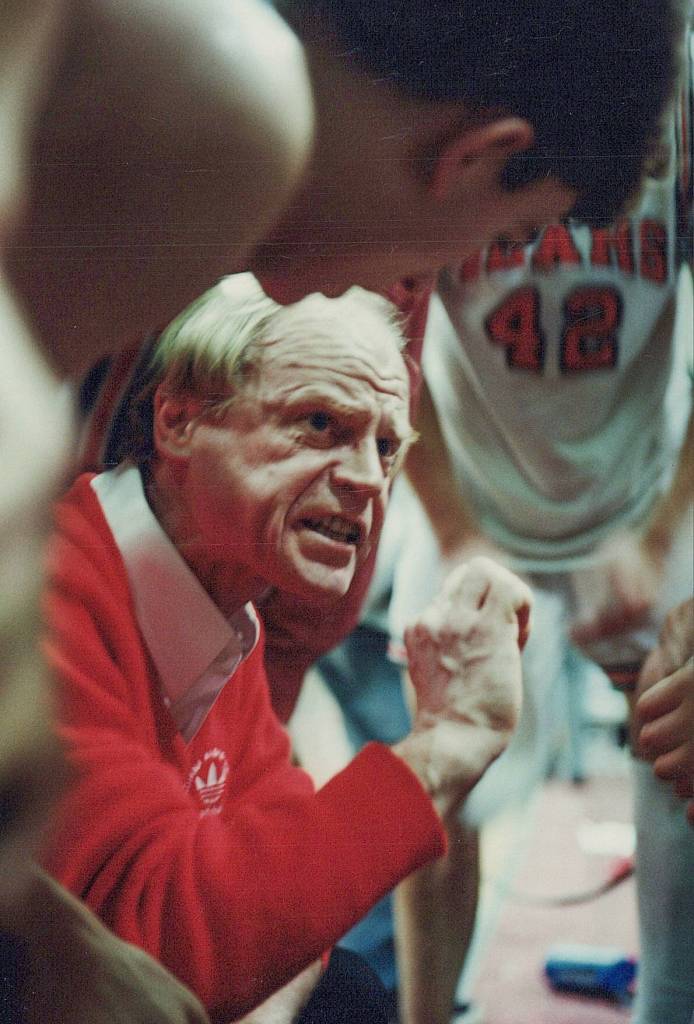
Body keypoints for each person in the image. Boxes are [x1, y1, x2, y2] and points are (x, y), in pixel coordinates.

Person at [0, 0, 685, 1016]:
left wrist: (49, 930)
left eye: (378, 439)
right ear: (476, 159)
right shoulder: (206, 110)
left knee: (329, 978)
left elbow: (232, 871)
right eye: (508, 235)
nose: (425, 292)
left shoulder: (225, 550)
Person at [42, 274, 533, 1022]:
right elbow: (159, 944)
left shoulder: (225, 608)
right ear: (176, 420)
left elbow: (293, 911)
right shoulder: (51, 597)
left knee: (349, 993)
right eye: (319, 424)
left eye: (387, 446)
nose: (371, 479)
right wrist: (446, 743)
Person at [386, 80, 693, 1022]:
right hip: (478, 486)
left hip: (641, 485)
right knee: (441, 792)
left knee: (678, 763)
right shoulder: (461, 85)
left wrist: (653, 535)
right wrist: (457, 531)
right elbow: (390, 336)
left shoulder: (679, 100)